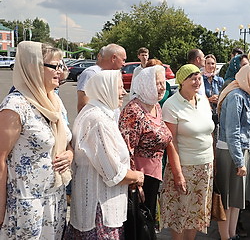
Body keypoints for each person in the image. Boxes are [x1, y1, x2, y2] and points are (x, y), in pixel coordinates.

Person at [0, 41, 73, 239]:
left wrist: (69, 154)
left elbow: (65, 141)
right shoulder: (15, 106)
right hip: (26, 204)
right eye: (55, 66)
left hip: (53, 200)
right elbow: (0, 158)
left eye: (61, 66)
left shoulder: (54, 101)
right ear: (33, 68)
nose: (61, 71)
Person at [65, 70, 144, 239]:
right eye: (119, 87)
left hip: (95, 207)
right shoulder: (98, 120)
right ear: (105, 89)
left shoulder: (96, 114)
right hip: (100, 211)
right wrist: (137, 176)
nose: (124, 92)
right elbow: (113, 173)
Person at [160, 64, 215, 240]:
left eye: (199, 77)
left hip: (205, 166)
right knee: (180, 214)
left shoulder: (203, 100)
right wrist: (177, 174)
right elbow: (171, 142)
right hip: (185, 167)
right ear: (181, 81)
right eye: (192, 78)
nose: (197, 81)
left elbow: (209, 132)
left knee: (196, 214)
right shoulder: (171, 105)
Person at [215, 63, 250, 240]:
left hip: (240, 153)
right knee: (227, 200)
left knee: (237, 200)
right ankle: (225, 236)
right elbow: (233, 131)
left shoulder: (247, 95)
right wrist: (239, 161)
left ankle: (232, 234)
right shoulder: (236, 96)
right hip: (231, 153)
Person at [119, 65, 172, 220]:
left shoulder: (155, 105)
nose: (162, 88)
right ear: (146, 84)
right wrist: (135, 183)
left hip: (154, 173)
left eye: (163, 83)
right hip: (140, 176)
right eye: (158, 83)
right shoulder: (133, 110)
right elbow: (126, 148)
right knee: (139, 224)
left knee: (148, 222)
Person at [77, 44, 127, 112]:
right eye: (123, 60)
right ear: (113, 58)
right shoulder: (91, 73)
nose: (124, 64)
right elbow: (83, 104)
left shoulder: (112, 75)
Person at [203, 54, 224, 126]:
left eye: (212, 63)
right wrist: (208, 100)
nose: (210, 66)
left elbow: (225, 95)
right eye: (208, 63)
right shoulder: (201, 80)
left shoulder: (220, 80)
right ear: (204, 65)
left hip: (217, 114)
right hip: (205, 113)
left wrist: (219, 99)